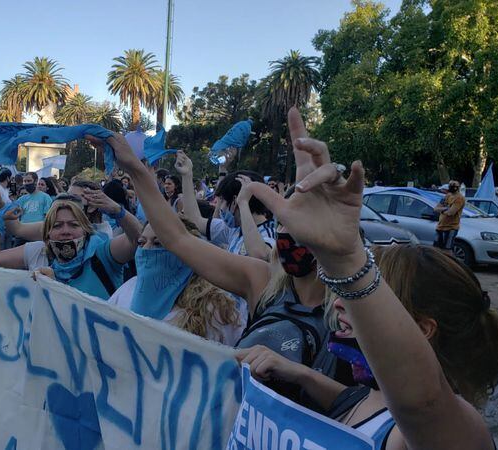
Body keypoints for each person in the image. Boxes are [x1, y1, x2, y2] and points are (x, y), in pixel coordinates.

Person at [230, 112, 498, 447]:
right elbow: (354, 404)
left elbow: (421, 404)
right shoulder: (374, 396)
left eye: (369, 297)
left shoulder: (447, 430)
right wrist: (300, 373)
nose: (341, 304)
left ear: (420, 330)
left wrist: (346, 262)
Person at [91, 115, 332, 397]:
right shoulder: (261, 280)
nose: (295, 235)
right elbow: (177, 237)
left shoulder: (351, 304)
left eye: (308, 225)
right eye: (286, 224)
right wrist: (135, 168)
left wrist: (303, 377)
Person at [107, 219, 245, 345]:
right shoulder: (128, 288)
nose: (146, 250)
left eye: (158, 243)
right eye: (141, 243)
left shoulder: (215, 308)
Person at [0, 195, 139, 300]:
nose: (65, 231)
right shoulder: (40, 252)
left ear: (85, 229)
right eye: (57, 226)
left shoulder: (103, 254)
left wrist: (118, 211)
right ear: (47, 234)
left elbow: (138, 240)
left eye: (73, 225)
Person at [176, 150, 275, 258]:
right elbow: (194, 220)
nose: (220, 207)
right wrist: (187, 175)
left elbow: (259, 254)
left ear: (234, 201)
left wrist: (243, 203)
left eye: (222, 200)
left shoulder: (269, 233)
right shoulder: (233, 229)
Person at [434, 180, 465, 250]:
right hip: (440, 227)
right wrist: (446, 208)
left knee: (447, 250)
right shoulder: (448, 195)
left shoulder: (459, 198)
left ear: (457, 187)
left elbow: (451, 213)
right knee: (437, 249)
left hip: (451, 228)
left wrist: (442, 210)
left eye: (454, 186)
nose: (451, 187)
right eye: (450, 185)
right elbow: (435, 208)